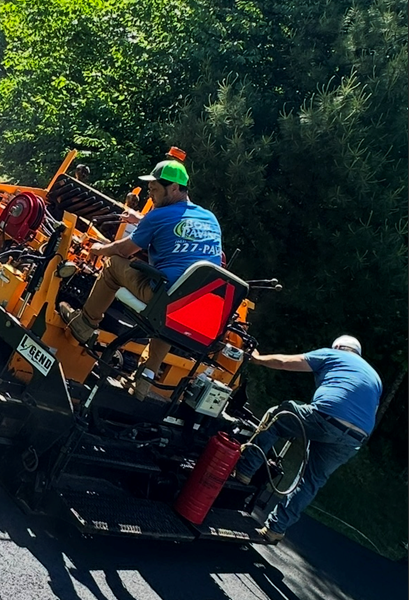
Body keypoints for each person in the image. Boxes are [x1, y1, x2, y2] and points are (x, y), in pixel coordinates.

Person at [58, 157, 222, 395]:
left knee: (115, 264)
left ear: (174, 188)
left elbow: (124, 250)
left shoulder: (158, 215)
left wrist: (99, 249)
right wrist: (142, 220)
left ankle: (85, 323)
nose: (151, 195)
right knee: (173, 311)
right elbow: (180, 223)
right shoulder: (210, 219)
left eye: (155, 190)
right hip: (193, 310)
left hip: (161, 296)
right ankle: (146, 377)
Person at [234, 335, 382, 544]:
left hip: (327, 418)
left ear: (339, 346)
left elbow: (285, 362)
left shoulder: (334, 354)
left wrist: (257, 358)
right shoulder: (375, 377)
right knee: (310, 481)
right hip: (355, 437)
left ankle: (244, 471)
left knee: (278, 416)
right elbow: (371, 410)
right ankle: (275, 529)